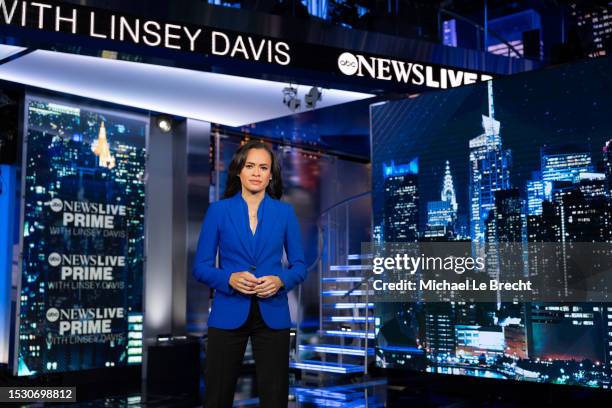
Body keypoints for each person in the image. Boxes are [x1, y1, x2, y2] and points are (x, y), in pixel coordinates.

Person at [193, 140, 307, 408]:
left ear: (271, 175)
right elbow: (201, 267)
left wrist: (281, 280)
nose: (256, 172)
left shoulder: (285, 213)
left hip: (273, 313)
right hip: (228, 311)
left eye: (263, 167)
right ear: (239, 171)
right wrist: (228, 279)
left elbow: (300, 265)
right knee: (217, 396)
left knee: (275, 397)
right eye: (250, 166)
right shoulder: (218, 211)